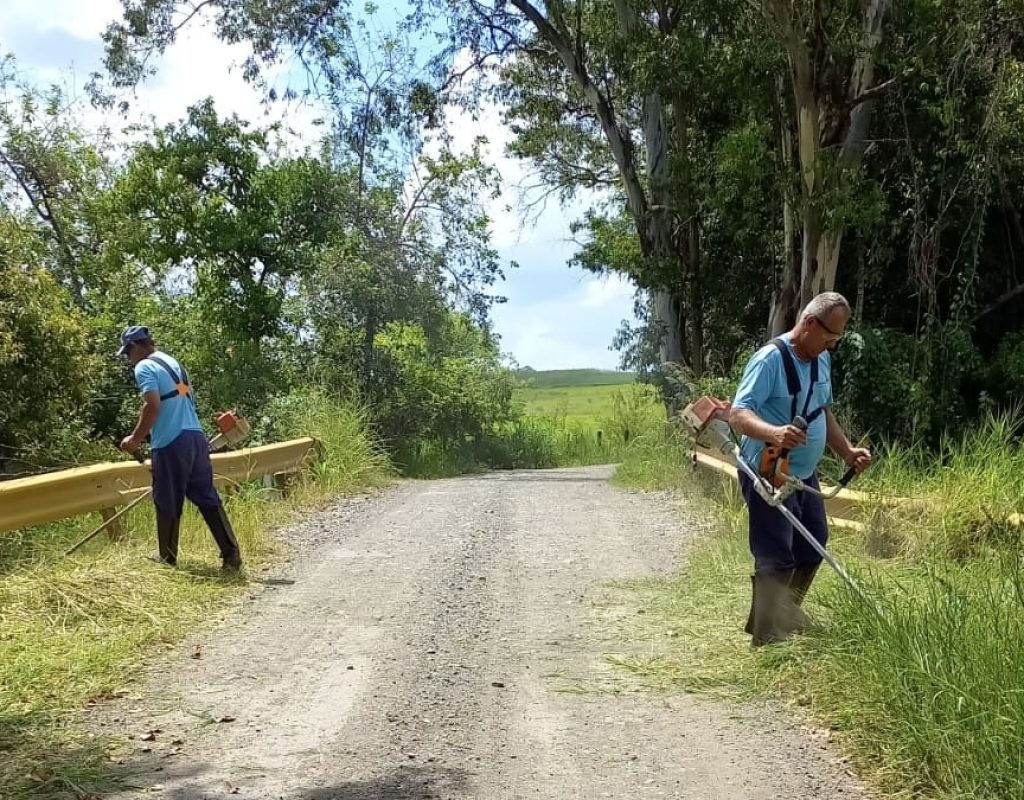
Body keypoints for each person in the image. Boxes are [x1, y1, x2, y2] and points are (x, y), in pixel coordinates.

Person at [729, 292, 870, 646]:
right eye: (829, 336)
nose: (831, 345)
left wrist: (847, 451)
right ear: (808, 323)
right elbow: (738, 413)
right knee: (776, 553)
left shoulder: (820, 359)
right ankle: (766, 637)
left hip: (803, 475)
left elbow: (822, 410)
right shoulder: (769, 361)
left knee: (814, 544)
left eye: (836, 338)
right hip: (769, 467)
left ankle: (785, 612)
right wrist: (774, 432)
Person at [117, 325, 242, 570]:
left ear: (135, 347)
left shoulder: (144, 366)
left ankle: (167, 560)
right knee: (207, 497)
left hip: (170, 441)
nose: (128, 359)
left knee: (166, 499)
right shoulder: (174, 364)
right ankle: (231, 554)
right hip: (195, 437)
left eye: (127, 353)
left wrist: (134, 439)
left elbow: (152, 405)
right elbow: (183, 398)